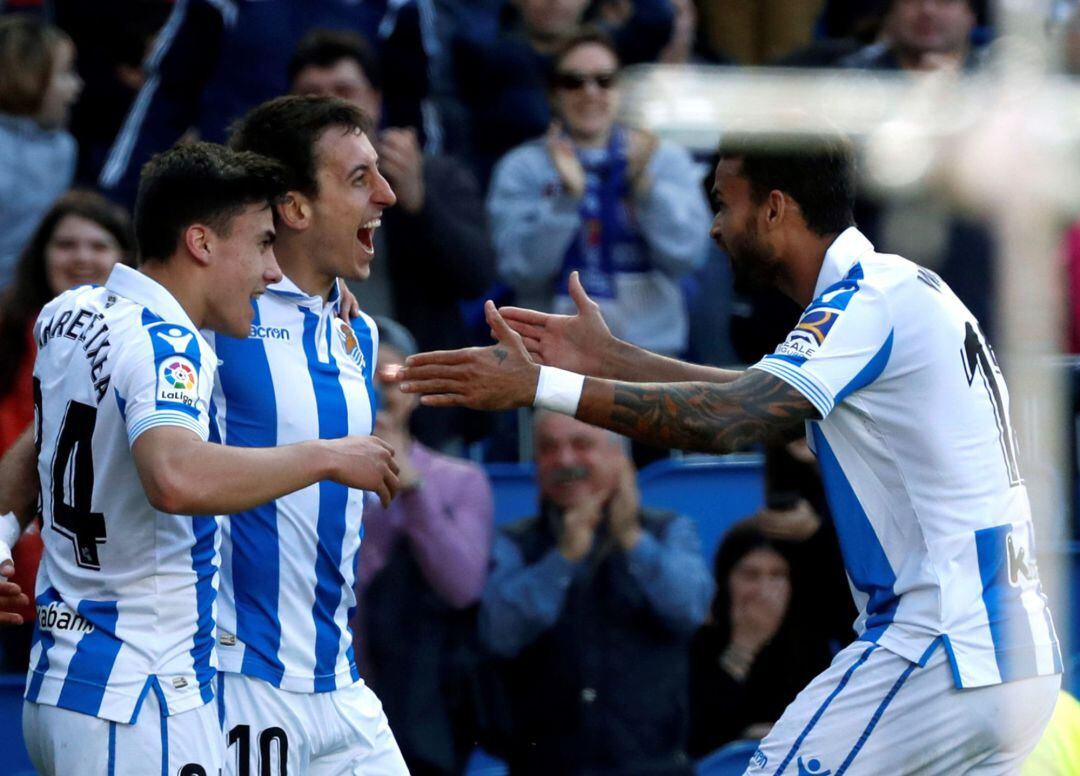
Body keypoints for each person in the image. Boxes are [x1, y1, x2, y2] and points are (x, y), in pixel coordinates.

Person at [393, 132, 1063, 773]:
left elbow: (734, 419)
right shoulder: (906, 290)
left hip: (939, 647)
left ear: (775, 207)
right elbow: (762, 402)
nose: (714, 226)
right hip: (1016, 657)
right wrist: (616, 360)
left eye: (723, 201)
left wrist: (541, 386)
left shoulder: (864, 304)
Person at [6, 140, 400, 776]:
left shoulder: (69, 314)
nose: (272, 271)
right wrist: (325, 457)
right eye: (263, 244)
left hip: (63, 681)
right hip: (141, 692)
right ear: (201, 242)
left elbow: (41, 445)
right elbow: (174, 476)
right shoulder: (169, 347)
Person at [217, 94, 408, 775]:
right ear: (295, 208)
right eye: (360, 179)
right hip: (237, 686)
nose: (386, 195)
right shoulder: (207, 318)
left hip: (341, 684)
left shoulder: (357, 330)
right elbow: (64, 418)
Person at [290, 28, 498, 450]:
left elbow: (476, 275)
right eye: (312, 95)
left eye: (344, 90)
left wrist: (420, 203)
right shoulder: (273, 191)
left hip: (423, 412)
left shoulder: (435, 174)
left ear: (375, 100)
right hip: (307, 399)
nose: (329, 105)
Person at [479, 410, 711, 774]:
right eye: (549, 449)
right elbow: (500, 633)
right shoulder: (516, 541)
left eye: (582, 445)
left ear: (619, 457)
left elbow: (690, 608)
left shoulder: (668, 530)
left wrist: (631, 537)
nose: (565, 460)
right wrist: (565, 556)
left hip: (653, 763)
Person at [488, 29, 709, 361]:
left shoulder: (664, 159)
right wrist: (566, 200)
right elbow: (520, 270)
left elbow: (688, 256)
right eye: (573, 81)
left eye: (604, 80)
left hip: (649, 355)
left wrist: (645, 188)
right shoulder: (523, 166)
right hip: (551, 356)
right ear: (553, 94)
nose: (590, 92)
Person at [97, 0, 435, 208]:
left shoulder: (396, 6)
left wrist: (424, 197)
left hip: (353, 204)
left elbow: (412, 109)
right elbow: (167, 97)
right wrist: (122, 199)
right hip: (234, 200)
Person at [0, 190, 133, 672]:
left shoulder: (144, 345)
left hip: (98, 590)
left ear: (124, 259)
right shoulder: (6, 334)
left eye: (98, 245)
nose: (81, 258)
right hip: (10, 575)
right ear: (42, 255)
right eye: (66, 244)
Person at [355, 317, 494, 774]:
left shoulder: (460, 481)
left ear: (415, 390)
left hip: (424, 710)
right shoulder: (304, 474)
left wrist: (415, 492)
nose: (380, 391)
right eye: (362, 375)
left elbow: (463, 587)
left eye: (391, 377)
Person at [687, 520, 835, 757]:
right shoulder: (699, 642)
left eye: (777, 575)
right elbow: (699, 734)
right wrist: (744, 645)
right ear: (726, 580)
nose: (764, 590)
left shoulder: (812, 644)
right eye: (750, 575)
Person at [0, 14, 83, 288]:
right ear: (27, 75)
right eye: (65, 72)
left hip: (28, 305)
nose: (76, 87)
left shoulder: (63, 148)